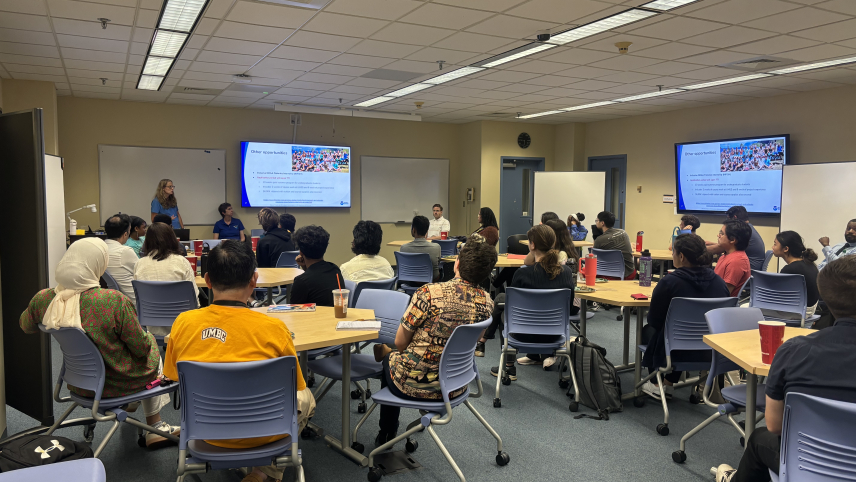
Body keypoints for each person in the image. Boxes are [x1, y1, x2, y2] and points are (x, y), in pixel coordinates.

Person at [164, 241, 315, 482]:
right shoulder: (275, 328)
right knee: (305, 396)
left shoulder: (183, 323)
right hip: (268, 431)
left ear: (207, 280)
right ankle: (263, 473)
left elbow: (173, 376)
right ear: (253, 281)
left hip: (206, 432)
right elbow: (295, 386)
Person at [19, 238, 179, 448]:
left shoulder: (44, 299)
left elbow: (25, 325)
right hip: (118, 383)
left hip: (79, 384)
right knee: (152, 349)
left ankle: (132, 405)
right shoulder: (113, 301)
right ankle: (155, 426)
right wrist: (148, 335)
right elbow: (141, 349)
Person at [713, 255, 856, 482]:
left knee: (760, 438)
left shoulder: (794, 351)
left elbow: (775, 425)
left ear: (825, 301)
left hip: (809, 464)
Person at [371, 234, 495, 445]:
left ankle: (388, 432)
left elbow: (401, 342)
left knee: (393, 358)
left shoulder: (429, 293)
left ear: (456, 263)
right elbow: (478, 338)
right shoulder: (487, 302)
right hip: (456, 384)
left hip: (415, 382)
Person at [640, 234, 730, 400]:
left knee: (650, 331)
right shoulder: (719, 282)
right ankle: (668, 383)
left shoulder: (669, 282)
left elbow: (654, 320)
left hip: (675, 349)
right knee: (678, 334)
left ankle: (656, 383)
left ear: (681, 256)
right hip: (711, 350)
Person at [480, 226, 575, 378]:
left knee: (504, 306)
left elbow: (513, 310)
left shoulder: (522, 274)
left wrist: (533, 252)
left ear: (532, 245)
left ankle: (507, 365)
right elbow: (569, 308)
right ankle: (508, 358)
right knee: (503, 303)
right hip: (556, 336)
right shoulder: (567, 273)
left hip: (522, 335)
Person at [135, 223, 199, 328]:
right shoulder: (181, 262)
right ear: (172, 239)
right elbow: (194, 298)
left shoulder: (139, 263)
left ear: (147, 241)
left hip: (151, 324)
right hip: (182, 326)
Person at [290, 225, 343, 306]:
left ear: (301, 252)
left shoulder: (301, 281)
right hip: (337, 316)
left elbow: (294, 312)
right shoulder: (334, 269)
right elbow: (316, 278)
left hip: (313, 318)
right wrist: (305, 267)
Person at [772, 231, 820, 316]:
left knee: (746, 307)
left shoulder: (789, 270)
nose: (773, 247)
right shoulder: (810, 264)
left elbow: (778, 298)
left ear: (786, 249)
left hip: (795, 313)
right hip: (809, 312)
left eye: (775, 244)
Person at [708, 206, 764, 271]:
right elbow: (730, 245)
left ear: (735, 217)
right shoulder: (748, 228)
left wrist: (698, 248)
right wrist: (711, 243)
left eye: (728, 219)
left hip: (747, 270)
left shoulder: (741, 231)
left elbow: (718, 249)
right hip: (748, 267)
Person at [104, 215, 139, 304]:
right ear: (125, 234)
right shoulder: (125, 251)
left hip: (111, 301)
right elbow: (142, 274)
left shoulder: (99, 249)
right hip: (133, 303)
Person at [714, 219, 753, 297]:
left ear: (732, 240)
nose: (718, 235)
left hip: (720, 306)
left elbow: (723, 294)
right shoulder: (726, 256)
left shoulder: (737, 261)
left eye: (721, 233)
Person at [592, 211, 636, 279]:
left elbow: (593, 259)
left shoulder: (599, 240)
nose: (596, 222)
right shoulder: (623, 232)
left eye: (597, 220)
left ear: (602, 223)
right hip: (629, 273)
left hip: (610, 275)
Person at [401, 215, 442, 282]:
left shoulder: (404, 248)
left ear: (413, 230)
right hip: (431, 282)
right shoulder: (436, 247)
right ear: (427, 231)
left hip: (410, 281)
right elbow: (437, 263)